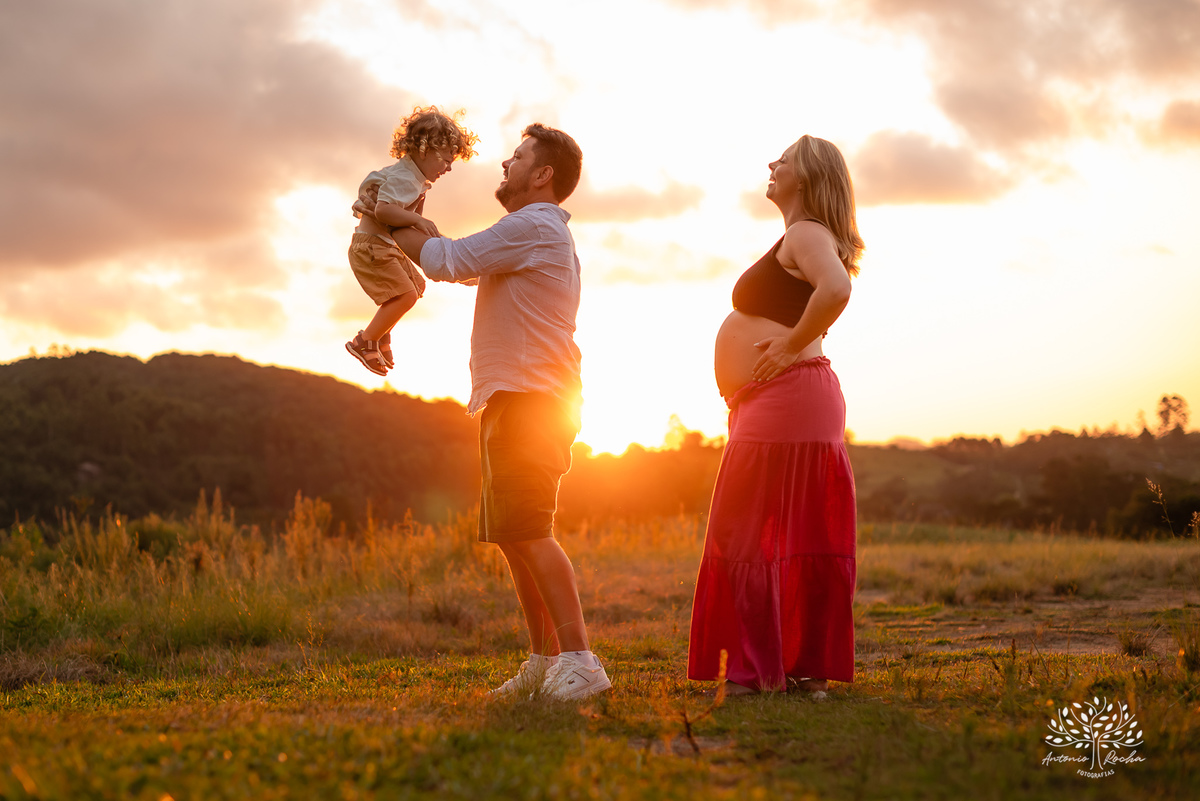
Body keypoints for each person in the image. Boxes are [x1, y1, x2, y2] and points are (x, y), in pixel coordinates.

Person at [380, 123, 612, 701]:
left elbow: (445, 260)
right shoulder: (530, 232)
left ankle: (581, 660)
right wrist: (405, 222)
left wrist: (381, 218)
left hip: (534, 401)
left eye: (517, 157)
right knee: (514, 534)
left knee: (530, 530)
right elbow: (455, 260)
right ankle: (543, 661)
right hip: (516, 398)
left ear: (543, 175)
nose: (504, 165)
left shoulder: (533, 224)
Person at [688, 135, 863, 697]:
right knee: (794, 531)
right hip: (784, 400)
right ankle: (802, 670)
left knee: (747, 531)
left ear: (807, 177)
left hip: (789, 393)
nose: (772, 164)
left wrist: (787, 347)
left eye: (783, 159)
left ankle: (754, 669)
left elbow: (837, 288)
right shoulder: (801, 235)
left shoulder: (806, 231)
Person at [345, 106, 478, 376]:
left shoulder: (414, 180)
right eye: (446, 160)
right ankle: (364, 340)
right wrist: (417, 221)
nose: (449, 168)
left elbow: (407, 225)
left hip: (382, 245)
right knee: (405, 295)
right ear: (424, 149)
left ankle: (381, 335)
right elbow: (383, 210)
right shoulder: (405, 178)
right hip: (371, 246)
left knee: (416, 286)